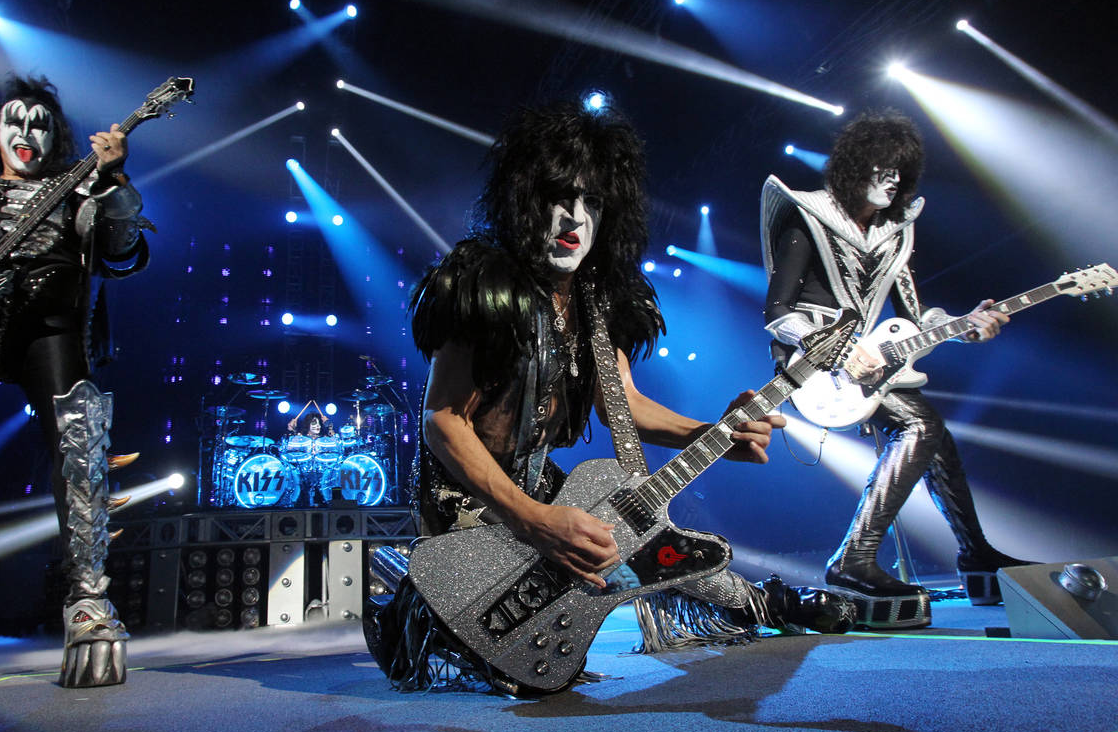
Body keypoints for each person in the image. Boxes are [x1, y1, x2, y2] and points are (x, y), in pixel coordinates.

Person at [367, 100, 853, 692]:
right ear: (524, 199)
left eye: (591, 201)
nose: (573, 217)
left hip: (539, 486)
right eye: (558, 196)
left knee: (637, 528)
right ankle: (418, 608)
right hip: (463, 496)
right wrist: (534, 521)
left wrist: (715, 435)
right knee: (508, 658)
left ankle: (763, 605)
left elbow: (623, 406)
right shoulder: (485, 284)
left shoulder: (603, 303)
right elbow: (443, 420)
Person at [0, 76, 151, 685]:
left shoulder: (76, 189)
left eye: (43, 123)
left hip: (46, 326)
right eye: (17, 122)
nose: (29, 134)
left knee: (79, 442)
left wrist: (114, 178)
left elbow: (122, 251)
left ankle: (89, 601)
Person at [760, 109, 1023, 629]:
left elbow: (914, 319)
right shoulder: (808, 216)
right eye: (883, 167)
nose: (893, 179)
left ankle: (976, 556)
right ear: (856, 166)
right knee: (921, 424)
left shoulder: (895, 234)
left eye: (900, 171)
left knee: (936, 435)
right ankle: (854, 557)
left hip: (869, 360)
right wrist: (834, 350)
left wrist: (965, 324)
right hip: (813, 363)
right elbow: (776, 312)